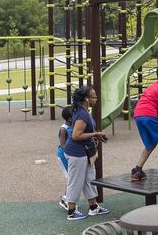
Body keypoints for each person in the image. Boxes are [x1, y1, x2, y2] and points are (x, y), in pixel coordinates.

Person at [63, 87, 109, 221]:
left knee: (89, 178)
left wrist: (96, 134)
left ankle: (93, 207)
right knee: (75, 181)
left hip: (84, 152)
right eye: (93, 97)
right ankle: (71, 211)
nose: (96, 98)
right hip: (76, 153)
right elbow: (76, 135)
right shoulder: (82, 114)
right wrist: (95, 134)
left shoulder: (82, 110)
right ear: (86, 100)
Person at [130, 64, 158, 182]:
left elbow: (151, 106)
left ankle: (137, 170)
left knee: (151, 142)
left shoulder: (152, 86)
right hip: (148, 116)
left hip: (138, 115)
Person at [57, 106, 73, 211]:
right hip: (63, 156)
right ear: (69, 118)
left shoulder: (73, 125)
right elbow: (63, 145)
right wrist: (69, 156)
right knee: (70, 178)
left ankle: (65, 198)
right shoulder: (64, 129)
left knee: (72, 178)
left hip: (70, 155)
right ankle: (66, 200)